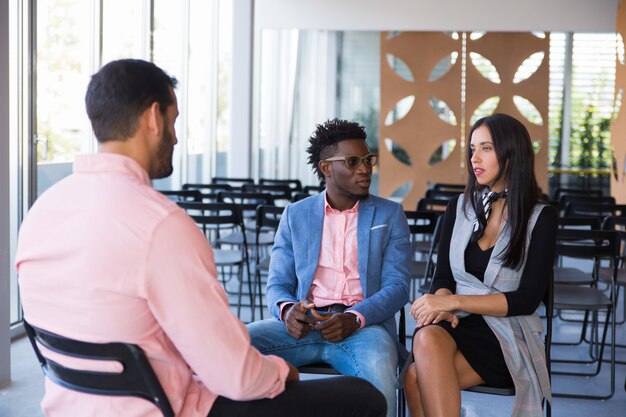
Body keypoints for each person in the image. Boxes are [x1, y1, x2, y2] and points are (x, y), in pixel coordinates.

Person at [15, 59, 386, 417]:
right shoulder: (161, 225)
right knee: (361, 398)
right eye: (173, 122)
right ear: (152, 118)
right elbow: (237, 377)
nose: (176, 138)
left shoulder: (41, 213)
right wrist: (279, 372)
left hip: (71, 405)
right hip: (165, 406)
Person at [247, 118, 412, 417]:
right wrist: (287, 311)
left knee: (378, 375)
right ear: (326, 168)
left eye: (367, 160)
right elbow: (277, 284)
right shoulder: (296, 215)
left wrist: (355, 317)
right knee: (234, 346)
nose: (364, 169)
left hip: (365, 328)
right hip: (303, 326)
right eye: (353, 161)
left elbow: (398, 287)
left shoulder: (390, 214)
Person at [403, 113, 556, 417]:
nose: (475, 158)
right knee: (428, 334)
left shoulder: (541, 216)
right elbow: (442, 278)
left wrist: (456, 300)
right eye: (472, 149)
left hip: (505, 333)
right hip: (459, 322)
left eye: (486, 148)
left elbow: (527, 299)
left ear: (511, 153)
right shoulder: (458, 208)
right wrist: (442, 302)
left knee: (414, 377)